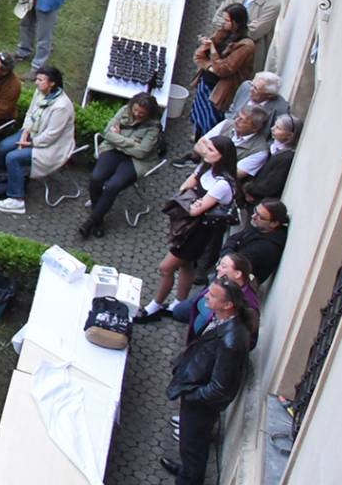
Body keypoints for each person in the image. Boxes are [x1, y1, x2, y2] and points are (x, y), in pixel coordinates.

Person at [161, 279, 252, 484]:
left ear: (227, 305)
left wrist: (192, 395)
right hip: (197, 390)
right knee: (189, 443)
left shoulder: (230, 341)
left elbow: (219, 388)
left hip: (201, 404)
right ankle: (187, 470)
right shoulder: (224, 321)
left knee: (193, 445)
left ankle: (189, 479)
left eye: (212, 295)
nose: (205, 297)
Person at [142, 136, 239, 320]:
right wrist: (193, 199)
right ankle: (178, 304)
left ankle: (154, 307)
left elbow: (195, 210)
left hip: (198, 233)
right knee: (186, 265)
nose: (206, 152)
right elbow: (185, 187)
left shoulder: (222, 184)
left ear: (223, 156)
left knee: (165, 268)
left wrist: (192, 199)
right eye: (207, 148)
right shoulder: (206, 168)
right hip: (189, 228)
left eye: (211, 150)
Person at [0, 65, 74, 213]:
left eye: (40, 80)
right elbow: (31, 113)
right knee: (5, 145)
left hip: (51, 147)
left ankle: (17, 200)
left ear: (52, 83)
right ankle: (1, 171)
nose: (36, 83)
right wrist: (25, 132)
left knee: (13, 157)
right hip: (32, 133)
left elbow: (52, 135)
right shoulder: (40, 92)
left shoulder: (61, 107)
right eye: (37, 79)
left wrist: (29, 143)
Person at [80, 91, 166, 238]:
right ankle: (98, 219)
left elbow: (141, 153)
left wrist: (118, 138)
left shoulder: (154, 127)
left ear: (149, 113)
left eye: (141, 113)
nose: (136, 114)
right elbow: (107, 133)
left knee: (113, 186)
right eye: (135, 110)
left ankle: (90, 222)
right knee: (96, 178)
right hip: (113, 150)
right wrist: (131, 143)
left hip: (136, 161)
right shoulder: (124, 111)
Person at [190, 4, 255, 136]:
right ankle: (197, 134)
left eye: (227, 20)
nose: (223, 23)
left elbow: (223, 69)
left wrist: (212, 49)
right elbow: (200, 56)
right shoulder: (223, 32)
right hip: (206, 79)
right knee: (199, 113)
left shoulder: (246, 46)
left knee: (211, 120)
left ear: (236, 23)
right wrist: (210, 65)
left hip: (220, 88)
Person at [212, 0, 281, 72]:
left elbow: (254, 32)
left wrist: (228, 24)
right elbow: (217, 18)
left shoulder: (272, 4)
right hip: (220, 49)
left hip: (245, 60)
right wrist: (235, 25)